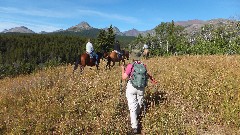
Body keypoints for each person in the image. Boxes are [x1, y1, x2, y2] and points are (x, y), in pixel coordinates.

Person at [121, 49, 157, 134]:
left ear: (132, 57)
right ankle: (137, 115)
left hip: (131, 87)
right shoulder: (143, 65)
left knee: (132, 107)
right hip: (141, 88)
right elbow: (147, 75)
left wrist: (122, 69)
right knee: (139, 103)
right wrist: (152, 80)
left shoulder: (130, 66)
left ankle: (134, 127)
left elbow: (124, 77)